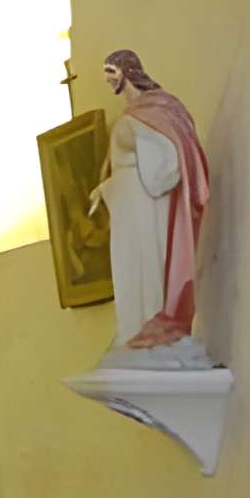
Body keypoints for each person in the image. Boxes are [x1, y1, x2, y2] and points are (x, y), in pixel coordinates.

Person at [89, 49, 214, 361]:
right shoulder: (133, 117)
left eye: (111, 72)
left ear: (128, 72)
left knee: (145, 263)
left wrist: (148, 181)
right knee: (130, 265)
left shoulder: (148, 114)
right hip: (130, 206)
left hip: (145, 208)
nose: (108, 79)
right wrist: (105, 189)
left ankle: (148, 329)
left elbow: (167, 161)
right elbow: (127, 166)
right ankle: (133, 330)